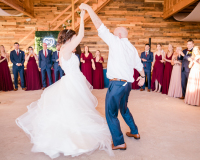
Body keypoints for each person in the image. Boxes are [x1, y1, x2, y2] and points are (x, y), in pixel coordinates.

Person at [16, 9, 113, 159]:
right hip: (73, 81)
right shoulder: (67, 48)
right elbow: (81, 35)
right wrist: (81, 18)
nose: (76, 39)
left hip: (71, 79)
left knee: (74, 107)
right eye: (73, 37)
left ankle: (71, 134)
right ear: (69, 39)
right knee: (75, 107)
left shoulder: (62, 50)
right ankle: (73, 138)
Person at [80, 3, 145, 150]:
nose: (112, 35)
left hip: (116, 85)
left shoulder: (116, 42)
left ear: (119, 35)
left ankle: (119, 142)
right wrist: (143, 78)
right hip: (127, 85)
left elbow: (99, 24)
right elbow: (140, 66)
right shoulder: (132, 48)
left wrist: (89, 8)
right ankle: (135, 131)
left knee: (111, 113)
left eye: (114, 33)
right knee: (124, 109)